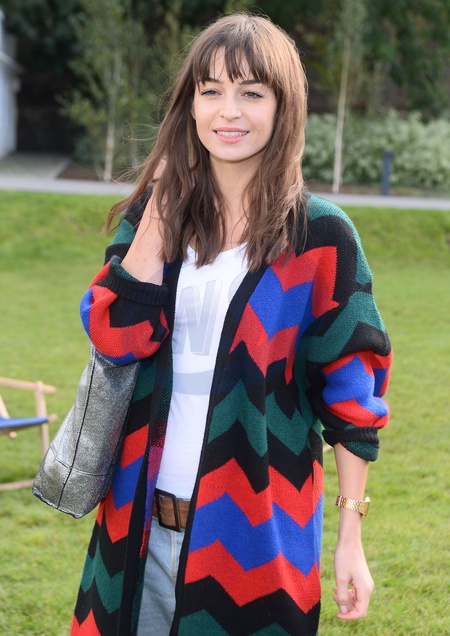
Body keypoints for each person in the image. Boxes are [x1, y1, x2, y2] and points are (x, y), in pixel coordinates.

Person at [71, 12, 392, 636]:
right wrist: (161, 207)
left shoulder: (321, 237)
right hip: (133, 531)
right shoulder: (154, 219)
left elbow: (355, 398)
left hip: (255, 547)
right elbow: (114, 336)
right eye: (211, 90)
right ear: (190, 106)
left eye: (251, 92)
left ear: (283, 106)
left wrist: (350, 537)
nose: (229, 111)